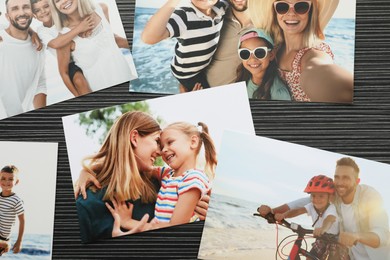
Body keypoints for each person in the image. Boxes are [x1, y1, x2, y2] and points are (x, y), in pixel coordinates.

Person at [73, 112, 210, 243]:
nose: (160, 152)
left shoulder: (160, 185)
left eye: (167, 143)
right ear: (134, 138)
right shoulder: (86, 205)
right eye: (157, 142)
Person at [258, 157, 390, 259]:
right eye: (336, 177)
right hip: (351, 255)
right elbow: (301, 204)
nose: (339, 182)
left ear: (357, 181)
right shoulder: (334, 195)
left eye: (346, 178)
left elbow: (383, 235)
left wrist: (357, 236)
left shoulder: (369, 197)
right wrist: (272, 211)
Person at [107, 122, 217, 231]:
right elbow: (136, 165)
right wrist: (92, 171)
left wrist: (128, 222)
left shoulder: (193, 179)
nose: (163, 150)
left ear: (193, 142)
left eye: (170, 142)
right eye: (162, 146)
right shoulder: (167, 174)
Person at [248, 0, 353, 103]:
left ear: (311, 11)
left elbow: (320, 71)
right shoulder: (274, 49)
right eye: (282, 6)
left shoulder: (313, 55)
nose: (291, 13)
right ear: (275, 11)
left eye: (301, 6)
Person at [48, 0, 135, 93]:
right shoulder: (64, 36)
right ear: (55, 6)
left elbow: (111, 40)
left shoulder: (101, 9)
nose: (64, 1)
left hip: (128, 79)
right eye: (57, 1)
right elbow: (64, 73)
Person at [141, 0, 229, 92]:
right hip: (187, 73)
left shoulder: (221, 7)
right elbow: (148, 38)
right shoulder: (183, 16)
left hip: (202, 65)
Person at [274, 175, 349, 260]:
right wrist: (284, 215)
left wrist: (322, 228)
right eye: (313, 196)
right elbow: (298, 211)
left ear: (329, 197)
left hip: (336, 240)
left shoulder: (332, 208)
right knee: (309, 258)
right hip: (321, 238)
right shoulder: (311, 206)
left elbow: (329, 219)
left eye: (321, 196)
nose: (316, 199)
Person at [31, 0, 93, 96]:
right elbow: (55, 44)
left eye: (46, 6)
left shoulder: (63, 17)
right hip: (69, 63)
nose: (43, 11)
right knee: (79, 80)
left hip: (84, 54)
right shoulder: (42, 31)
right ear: (34, 15)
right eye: (38, 10)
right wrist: (80, 28)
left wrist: (83, 30)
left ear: (53, 6)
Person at [0, 0, 47, 120]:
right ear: (7, 16)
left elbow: (39, 84)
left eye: (26, 7)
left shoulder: (38, 46)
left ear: (32, 12)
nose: (22, 12)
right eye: (15, 8)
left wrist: (43, 119)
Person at [205, 0, 253, 87]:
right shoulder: (215, 16)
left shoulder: (266, 24)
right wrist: (184, 85)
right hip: (203, 91)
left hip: (242, 95)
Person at [236, 28, 291, 100]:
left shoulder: (278, 93)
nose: (252, 59)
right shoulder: (242, 81)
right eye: (245, 53)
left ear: (271, 55)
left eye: (259, 52)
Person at [0, 165, 25, 256]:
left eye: (10, 179)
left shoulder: (16, 200)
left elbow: (22, 220)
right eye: (3, 178)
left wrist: (19, 241)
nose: (6, 182)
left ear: (16, 181)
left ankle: (6, 244)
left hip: (3, 236)